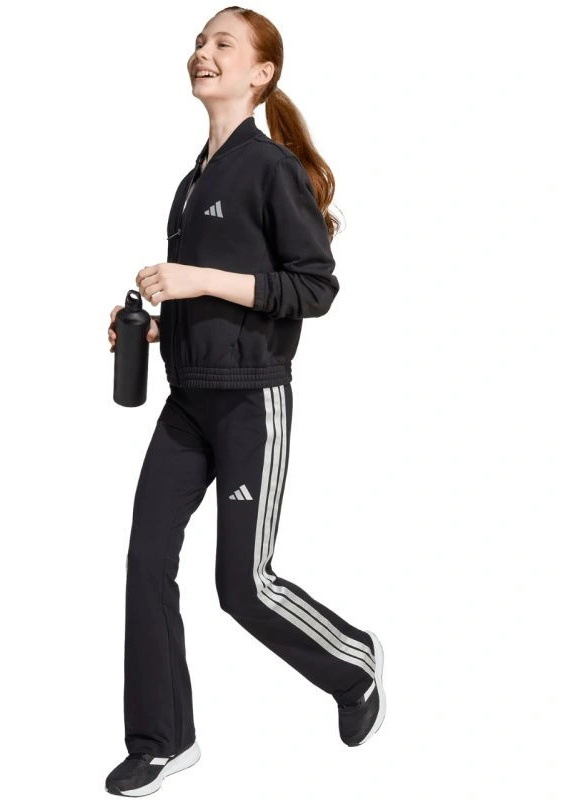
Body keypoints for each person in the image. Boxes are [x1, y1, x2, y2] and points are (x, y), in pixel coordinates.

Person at [105, 7, 385, 796]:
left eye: (222, 44)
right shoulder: (193, 181)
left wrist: (195, 279)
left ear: (261, 74)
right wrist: (151, 327)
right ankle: (163, 738)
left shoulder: (269, 169)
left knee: (243, 585)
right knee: (145, 562)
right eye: (200, 41)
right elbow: (211, 301)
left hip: (249, 403)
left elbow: (313, 288)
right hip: (186, 401)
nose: (203, 52)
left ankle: (354, 664)